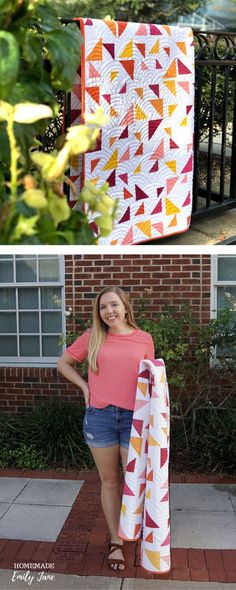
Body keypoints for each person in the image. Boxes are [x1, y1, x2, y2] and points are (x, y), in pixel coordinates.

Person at [57, 286, 155, 571]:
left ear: (125, 307)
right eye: (103, 307)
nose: (109, 311)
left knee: (134, 481)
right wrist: (85, 386)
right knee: (110, 481)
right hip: (100, 417)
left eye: (113, 305)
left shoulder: (144, 339)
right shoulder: (93, 337)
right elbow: (64, 362)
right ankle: (115, 540)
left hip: (134, 418)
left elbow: (151, 379)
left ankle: (136, 532)